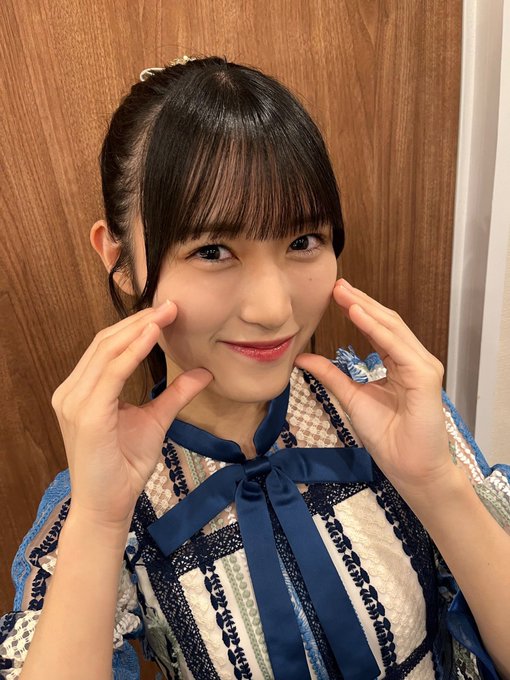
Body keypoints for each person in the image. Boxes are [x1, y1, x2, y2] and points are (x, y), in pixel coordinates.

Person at [1, 55, 509, 680]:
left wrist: (435, 484)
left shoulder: (395, 409)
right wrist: (99, 523)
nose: (274, 310)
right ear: (121, 257)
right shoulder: (103, 492)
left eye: (303, 242)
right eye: (213, 250)